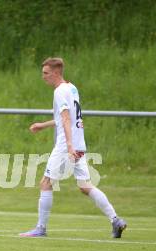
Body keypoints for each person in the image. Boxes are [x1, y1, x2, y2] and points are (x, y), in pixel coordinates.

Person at [19, 57, 127, 238]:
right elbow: (67, 118)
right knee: (85, 186)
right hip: (79, 143)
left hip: (65, 145)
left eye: (45, 73)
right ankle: (115, 220)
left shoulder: (59, 91)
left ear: (55, 73)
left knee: (45, 183)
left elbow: (67, 118)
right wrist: (43, 125)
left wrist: (68, 146)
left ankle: (41, 228)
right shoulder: (72, 88)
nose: (43, 77)